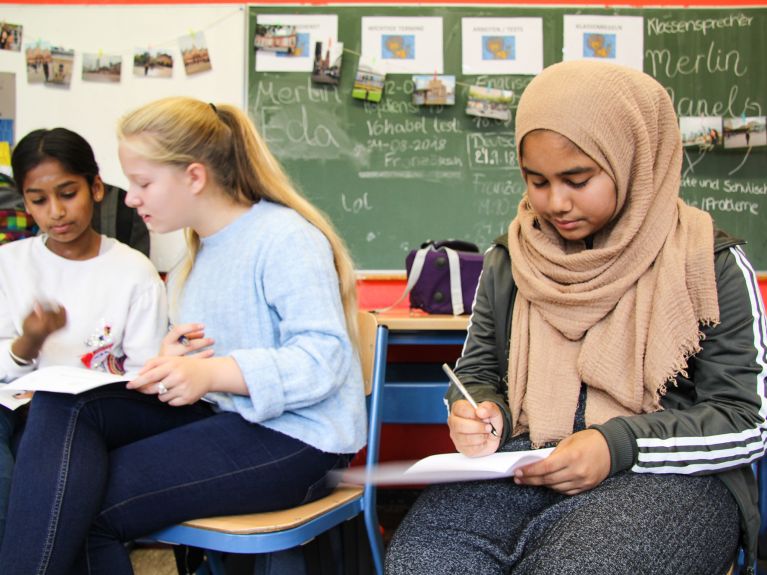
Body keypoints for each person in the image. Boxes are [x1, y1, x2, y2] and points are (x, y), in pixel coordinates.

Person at [386, 61, 767, 575]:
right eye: (536, 181)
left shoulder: (709, 262)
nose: (555, 203)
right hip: (529, 461)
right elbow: (477, 372)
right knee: (421, 561)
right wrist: (480, 409)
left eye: (577, 179)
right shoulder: (513, 258)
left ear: (634, 158)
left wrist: (617, 445)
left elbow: (746, 422)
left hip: (670, 476)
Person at [0, 97, 365, 574]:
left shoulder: (284, 238)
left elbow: (325, 360)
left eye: (143, 183)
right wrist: (170, 363)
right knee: (59, 402)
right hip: (225, 419)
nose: (128, 198)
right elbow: (214, 358)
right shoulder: (195, 259)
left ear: (194, 176)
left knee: (81, 506)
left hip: (297, 439)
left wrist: (209, 371)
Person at [0, 128, 168, 546]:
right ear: (25, 203)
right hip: (13, 408)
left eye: (68, 193)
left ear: (96, 188)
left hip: (85, 420)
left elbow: (144, 376)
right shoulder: (9, 265)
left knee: (45, 476)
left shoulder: (135, 273)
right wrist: (29, 342)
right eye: (39, 200)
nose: (56, 211)